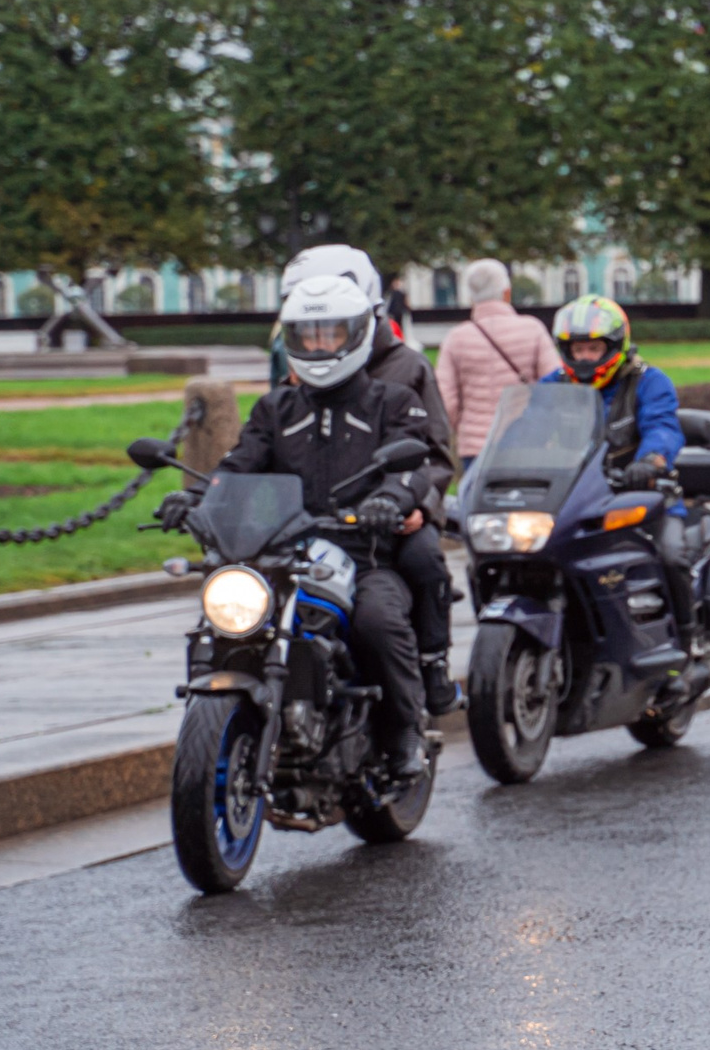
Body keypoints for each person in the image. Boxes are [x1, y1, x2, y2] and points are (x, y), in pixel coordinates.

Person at [163, 275, 435, 779]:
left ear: (356, 335)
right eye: (307, 335)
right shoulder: (276, 408)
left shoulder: (390, 402)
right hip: (280, 552)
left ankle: (404, 731)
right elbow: (239, 463)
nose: (317, 346)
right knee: (224, 617)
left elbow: (410, 467)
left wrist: (390, 499)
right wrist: (195, 495)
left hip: (365, 553)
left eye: (329, 334)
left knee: (378, 621)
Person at [279, 245, 462, 716]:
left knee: (423, 559)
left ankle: (431, 663)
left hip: (389, 518)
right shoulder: (300, 370)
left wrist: (416, 504)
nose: (318, 338)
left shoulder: (407, 368)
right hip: (317, 527)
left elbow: (434, 456)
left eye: (330, 326)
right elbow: (269, 446)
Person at [542, 296, 692, 639]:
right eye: (577, 349)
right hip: (574, 501)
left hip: (640, 497)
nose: (584, 358)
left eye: (593, 349)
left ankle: (688, 638)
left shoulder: (648, 382)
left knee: (671, 557)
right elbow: (527, 429)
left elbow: (663, 427)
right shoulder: (553, 386)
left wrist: (650, 461)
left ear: (614, 345)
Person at [438, 257, 560, 469]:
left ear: (471, 297)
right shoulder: (532, 329)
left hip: (476, 447)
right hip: (527, 441)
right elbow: (556, 385)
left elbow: (446, 401)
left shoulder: (456, 338)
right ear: (507, 293)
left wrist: (462, 429)